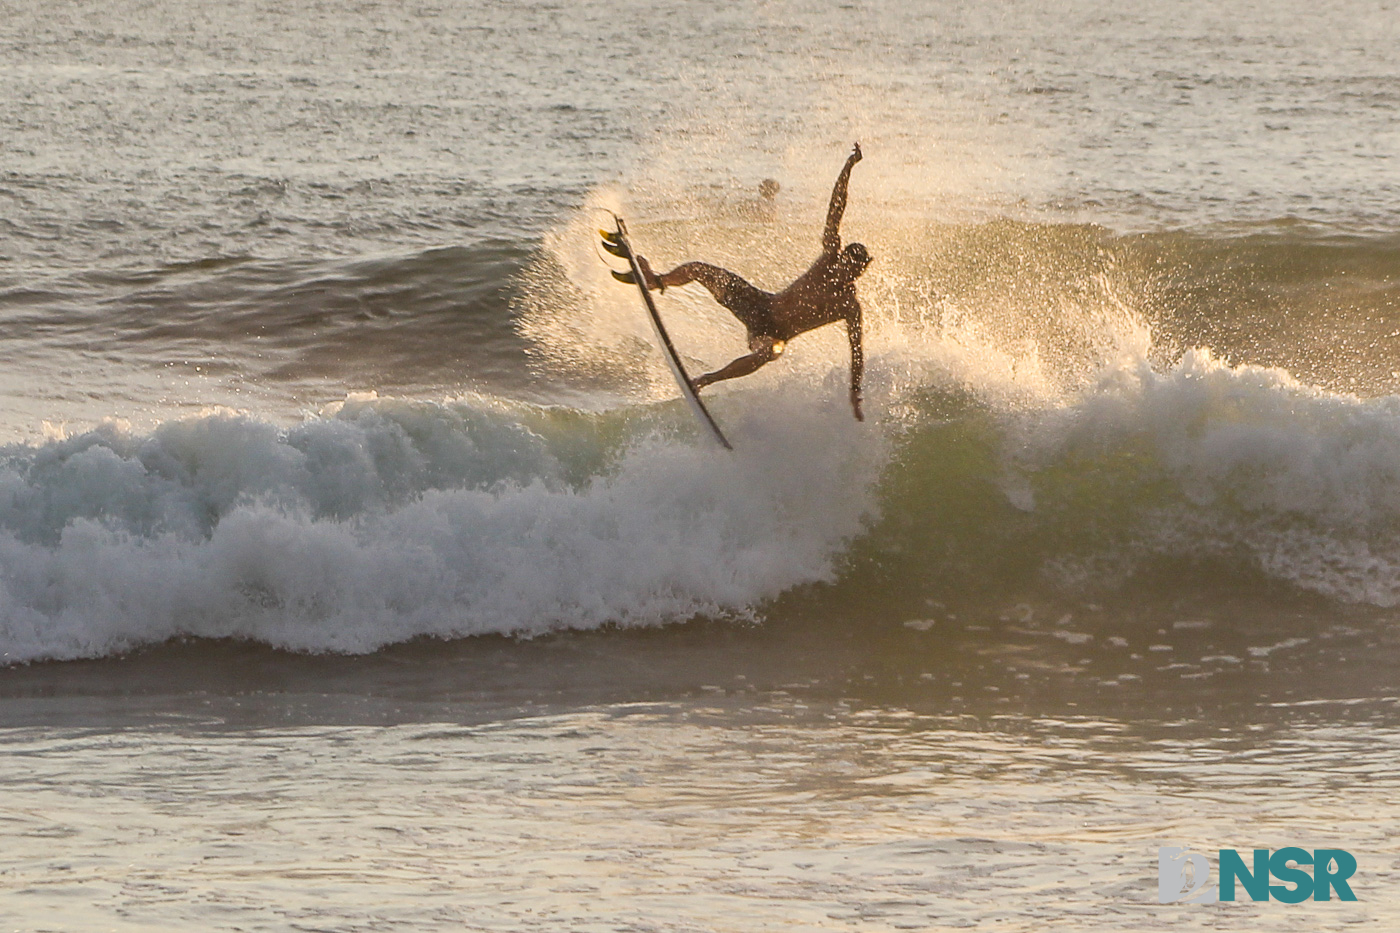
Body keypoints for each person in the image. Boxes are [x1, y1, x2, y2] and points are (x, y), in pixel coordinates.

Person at [626, 144, 870, 420]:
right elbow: (836, 207)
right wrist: (849, 167)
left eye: (853, 271)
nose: (846, 272)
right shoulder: (829, 257)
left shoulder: (849, 306)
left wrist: (854, 392)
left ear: (860, 271)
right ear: (842, 258)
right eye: (845, 265)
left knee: (771, 351)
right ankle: (657, 281)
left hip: (772, 334)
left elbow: (857, 351)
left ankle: (705, 380)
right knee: (702, 270)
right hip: (759, 303)